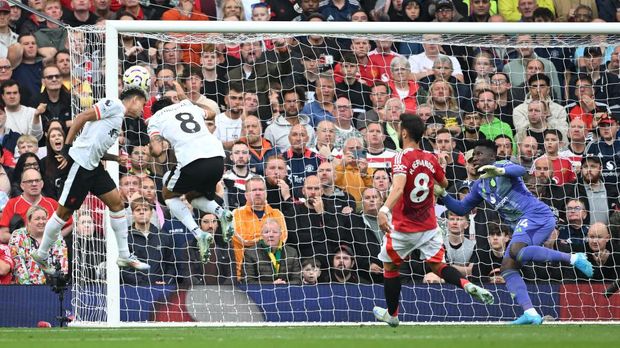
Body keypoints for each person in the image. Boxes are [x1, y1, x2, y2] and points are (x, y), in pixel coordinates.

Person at [436, 139, 595, 325]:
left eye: (480, 154)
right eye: (474, 156)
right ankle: (530, 313)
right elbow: (462, 208)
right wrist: (444, 195)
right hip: (525, 224)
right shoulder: (479, 186)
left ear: (492, 156)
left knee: (516, 251)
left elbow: (521, 171)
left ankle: (574, 258)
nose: (476, 158)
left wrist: (500, 170)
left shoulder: (503, 166)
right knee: (508, 268)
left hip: (537, 215)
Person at [373, 113, 494, 328]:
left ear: (403, 132)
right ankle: (466, 284)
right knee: (438, 265)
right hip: (429, 225)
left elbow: (399, 187)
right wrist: (436, 181)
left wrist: (383, 209)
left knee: (390, 267)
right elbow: (445, 183)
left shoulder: (401, 157)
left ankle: (392, 314)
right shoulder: (430, 158)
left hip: (402, 226)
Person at [32, 86, 151, 274]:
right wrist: (67, 148)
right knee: (63, 214)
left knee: (117, 204)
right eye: (143, 105)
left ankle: (124, 255)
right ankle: (42, 253)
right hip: (80, 165)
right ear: (135, 100)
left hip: (94, 167)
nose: (142, 111)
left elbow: (94, 145)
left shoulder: (118, 119)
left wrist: (113, 159)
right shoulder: (114, 105)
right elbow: (81, 118)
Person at [147, 96, 234, 263]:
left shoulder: (155, 119)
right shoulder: (188, 107)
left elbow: (157, 151)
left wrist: (151, 149)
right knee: (191, 197)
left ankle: (198, 233)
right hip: (217, 159)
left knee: (167, 195)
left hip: (191, 161)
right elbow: (211, 113)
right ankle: (221, 213)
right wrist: (190, 102)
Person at [242, 218, 301, 284]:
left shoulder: (292, 252)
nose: (271, 235)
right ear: (261, 235)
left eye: (275, 232)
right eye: (266, 232)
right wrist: (272, 284)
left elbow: (297, 280)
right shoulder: (250, 253)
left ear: (280, 234)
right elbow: (248, 281)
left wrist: (284, 284)